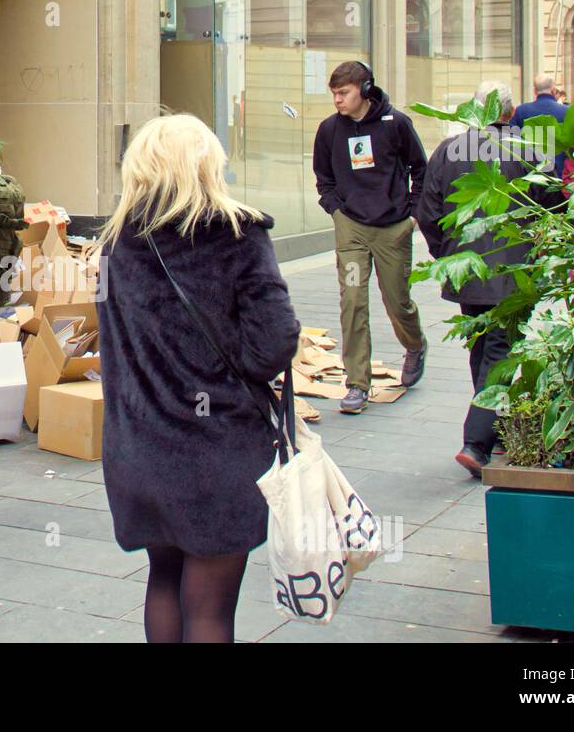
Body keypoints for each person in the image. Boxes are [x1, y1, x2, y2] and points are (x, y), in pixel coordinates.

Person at [96, 114, 300, 643]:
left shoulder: (117, 243)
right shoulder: (237, 234)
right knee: (210, 608)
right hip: (215, 449)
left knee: (163, 576)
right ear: (208, 163)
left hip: (139, 448)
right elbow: (274, 342)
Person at [418, 81, 565, 477]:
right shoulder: (531, 147)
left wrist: (446, 255)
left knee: (483, 346)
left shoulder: (450, 148)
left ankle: (492, 427)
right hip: (513, 270)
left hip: (468, 268)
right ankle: (477, 441)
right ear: (509, 111)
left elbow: (428, 210)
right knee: (498, 352)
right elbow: (554, 205)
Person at [313, 60, 429, 414]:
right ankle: (357, 384)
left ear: (364, 90)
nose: (337, 100)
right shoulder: (330, 130)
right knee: (353, 300)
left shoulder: (397, 125)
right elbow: (324, 177)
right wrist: (336, 210)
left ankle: (415, 344)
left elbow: (421, 170)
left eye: (343, 93)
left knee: (397, 300)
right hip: (352, 229)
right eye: (333, 93)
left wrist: (411, 217)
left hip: (393, 228)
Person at [509, 74, 571, 175]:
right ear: (554, 90)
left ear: (534, 91)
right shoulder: (567, 112)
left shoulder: (521, 111)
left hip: (531, 174)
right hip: (560, 175)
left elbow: (512, 140)